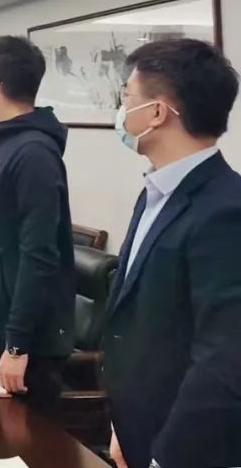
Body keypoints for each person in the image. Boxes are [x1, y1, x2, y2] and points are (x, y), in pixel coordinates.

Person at [104, 39, 241, 468]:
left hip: (184, 450)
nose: (121, 111)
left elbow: (223, 359)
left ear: (158, 113)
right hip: (139, 428)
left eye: (127, 98)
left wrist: (167, 458)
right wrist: (123, 422)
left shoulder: (226, 210)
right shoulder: (156, 192)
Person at [0, 35, 74, 408]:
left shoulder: (34, 151)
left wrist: (17, 343)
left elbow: (39, 253)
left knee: (23, 438)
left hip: (23, 346)